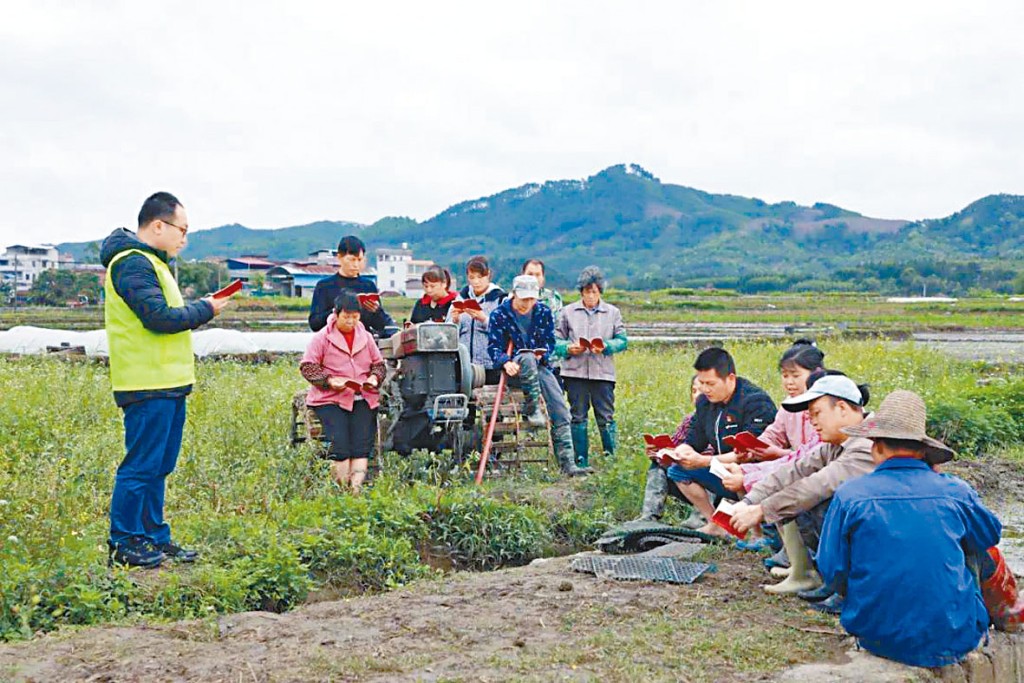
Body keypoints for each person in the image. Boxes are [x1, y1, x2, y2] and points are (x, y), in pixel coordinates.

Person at [817, 390, 1001, 668]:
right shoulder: (954, 491)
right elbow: (989, 535)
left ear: (875, 446)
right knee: (973, 545)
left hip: (875, 635)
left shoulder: (850, 495)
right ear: (925, 452)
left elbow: (832, 571)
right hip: (954, 637)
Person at [101, 192, 230, 568]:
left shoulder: (152, 265)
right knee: (142, 464)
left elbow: (167, 314)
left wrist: (200, 307)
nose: (184, 239)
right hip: (146, 383)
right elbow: (159, 317)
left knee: (160, 465)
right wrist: (205, 309)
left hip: (168, 382)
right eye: (182, 230)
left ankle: (153, 535)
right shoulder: (132, 264)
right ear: (158, 225)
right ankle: (124, 540)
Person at [730, 373, 872, 604]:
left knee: (814, 501)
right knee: (799, 499)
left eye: (817, 414)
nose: (813, 422)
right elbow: (793, 470)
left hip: (886, 535)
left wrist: (761, 511)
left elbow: (816, 486)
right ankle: (836, 581)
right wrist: (748, 501)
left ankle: (852, 587)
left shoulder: (868, 444)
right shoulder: (838, 443)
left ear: (843, 408)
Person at [663, 347, 776, 538]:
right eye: (702, 383)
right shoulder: (704, 403)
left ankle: (759, 534)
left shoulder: (755, 402)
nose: (705, 389)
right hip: (722, 470)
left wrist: (703, 461)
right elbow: (693, 439)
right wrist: (682, 451)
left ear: (730, 378)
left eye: (710, 384)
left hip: (756, 472)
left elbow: (749, 453)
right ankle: (714, 522)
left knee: (740, 469)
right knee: (677, 469)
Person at [488, 275, 590, 477]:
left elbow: (550, 342)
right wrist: (505, 362)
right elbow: (494, 347)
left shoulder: (542, 312)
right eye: (524, 299)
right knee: (525, 357)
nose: (528, 303)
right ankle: (532, 407)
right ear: (514, 294)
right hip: (514, 369)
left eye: (532, 299)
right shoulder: (499, 314)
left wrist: (542, 353)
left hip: (540, 366)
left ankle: (567, 463)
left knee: (560, 406)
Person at [300, 291, 386, 494]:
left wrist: (374, 378)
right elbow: (308, 367)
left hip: (362, 396)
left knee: (361, 445)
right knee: (339, 446)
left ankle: (355, 491)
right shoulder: (321, 337)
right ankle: (341, 489)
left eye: (355, 317)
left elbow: (379, 364)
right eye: (346, 317)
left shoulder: (365, 336)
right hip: (331, 399)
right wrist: (329, 381)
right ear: (336, 314)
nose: (351, 321)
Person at [555, 266, 627, 467]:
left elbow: (622, 340)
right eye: (587, 291)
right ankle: (580, 460)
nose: (591, 296)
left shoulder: (613, 313)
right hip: (575, 373)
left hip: (602, 373)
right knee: (577, 416)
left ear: (600, 292)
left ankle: (610, 460)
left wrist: (606, 346)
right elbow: (555, 341)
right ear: (581, 292)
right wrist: (569, 348)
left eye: (595, 292)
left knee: (606, 416)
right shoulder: (567, 312)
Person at [633, 375, 714, 522]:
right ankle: (649, 516)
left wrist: (692, 457)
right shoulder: (689, 420)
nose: (697, 396)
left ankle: (701, 518)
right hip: (686, 476)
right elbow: (674, 446)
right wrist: (659, 452)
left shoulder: (720, 419)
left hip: (716, 481)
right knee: (658, 467)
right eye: (694, 391)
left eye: (701, 391)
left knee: (709, 468)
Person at [308, 235, 394, 336]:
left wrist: (376, 311)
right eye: (352, 260)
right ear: (339, 257)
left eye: (359, 260)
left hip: (363, 342)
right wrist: (336, 311)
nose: (356, 265)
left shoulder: (368, 286)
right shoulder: (325, 286)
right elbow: (314, 324)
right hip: (333, 343)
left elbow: (379, 326)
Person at [449, 255, 506, 384]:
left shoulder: (500, 299)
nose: (476, 282)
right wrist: (455, 321)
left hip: (490, 365)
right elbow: (448, 334)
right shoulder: (460, 299)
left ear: (488, 275)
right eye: (472, 277)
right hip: (463, 365)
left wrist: (484, 319)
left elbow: (504, 331)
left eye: (480, 277)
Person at [522, 259, 564, 378]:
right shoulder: (512, 300)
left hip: (551, 361)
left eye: (537, 274)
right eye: (530, 274)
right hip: (523, 363)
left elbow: (558, 329)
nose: (534, 278)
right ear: (522, 275)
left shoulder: (553, 299)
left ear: (543, 277)